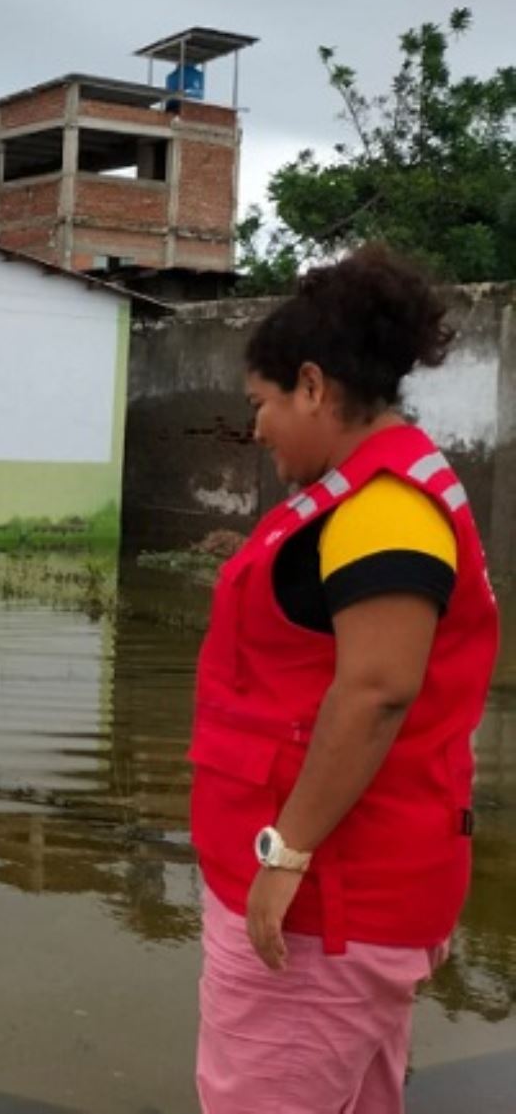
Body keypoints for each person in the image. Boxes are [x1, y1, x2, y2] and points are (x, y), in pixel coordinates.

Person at [190, 245, 499, 1112]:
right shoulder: (354, 495)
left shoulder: (386, 511)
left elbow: (377, 690)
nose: (258, 429)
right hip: (337, 896)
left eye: (264, 404)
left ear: (315, 387)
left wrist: (285, 855)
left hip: (329, 907)